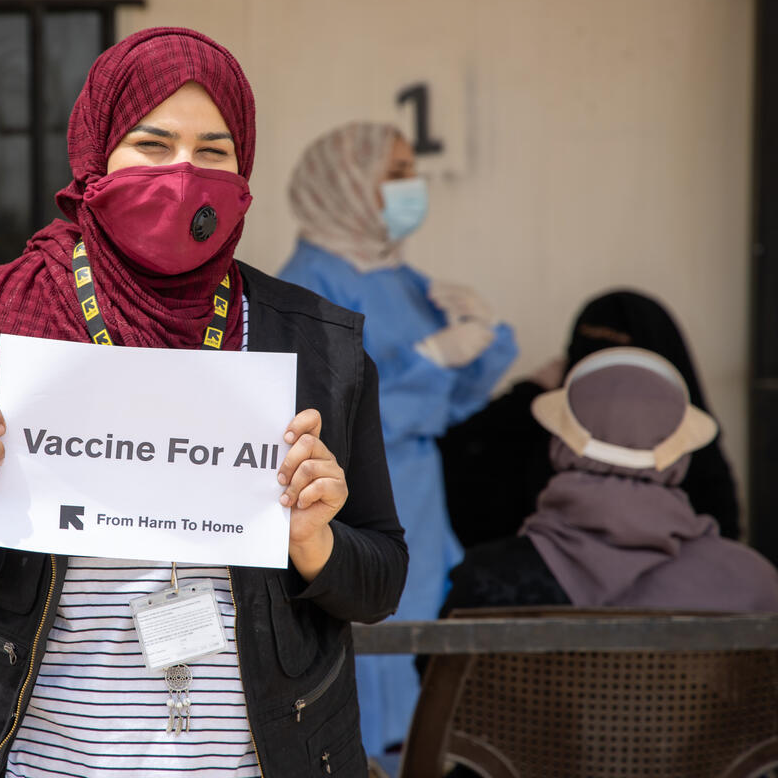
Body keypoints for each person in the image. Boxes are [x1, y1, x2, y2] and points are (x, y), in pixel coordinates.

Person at [0, 27, 408, 778]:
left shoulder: (317, 346)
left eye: (213, 151)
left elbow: (381, 579)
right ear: (96, 158)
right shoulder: (0, 324)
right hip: (31, 763)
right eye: (152, 144)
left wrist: (315, 542)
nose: (183, 174)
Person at [276, 121, 517, 758]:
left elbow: (450, 405)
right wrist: (429, 362)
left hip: (419, 494)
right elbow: (337, 418)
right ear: (348, 183)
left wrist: (482, 343)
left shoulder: (399, 276)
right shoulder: (307, 287)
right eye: (397, 172)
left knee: (418, 652)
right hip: (354, 493)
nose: (414, 186)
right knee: (366, 638)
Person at [439, 346, 778, 617]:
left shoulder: (486, 579)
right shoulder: (752, 582)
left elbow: (441, 681)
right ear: (680, 454)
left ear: (559, 445)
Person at [440, 288, 741, 549]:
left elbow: (720, 527)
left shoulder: (692, 447)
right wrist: (525, 398)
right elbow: (460, 474)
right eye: (591, 347)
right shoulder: (543, 426)